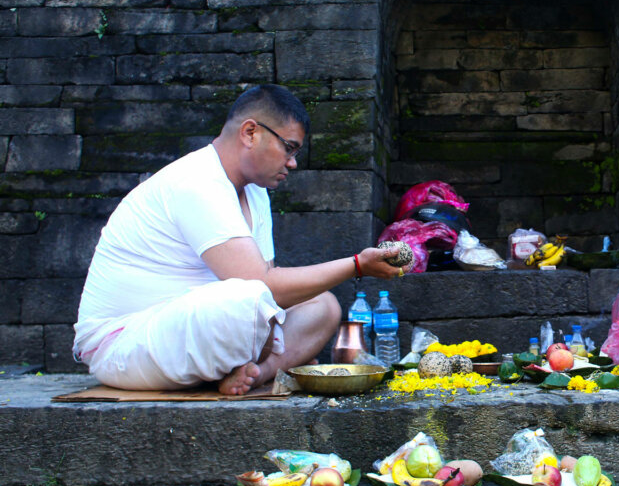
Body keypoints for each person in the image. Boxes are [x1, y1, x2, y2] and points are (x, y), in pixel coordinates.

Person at [74, 84, 406, 395]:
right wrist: (357, 265)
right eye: (288, 148)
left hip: (196, 328)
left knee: (323, 306)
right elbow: (262, 287)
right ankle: (264, 364)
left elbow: (271, 293)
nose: (291, 163)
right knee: (249, 302)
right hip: (124, 345)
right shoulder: (197, 181)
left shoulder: (256, 192)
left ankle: (256, 374)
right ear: (250, 133)